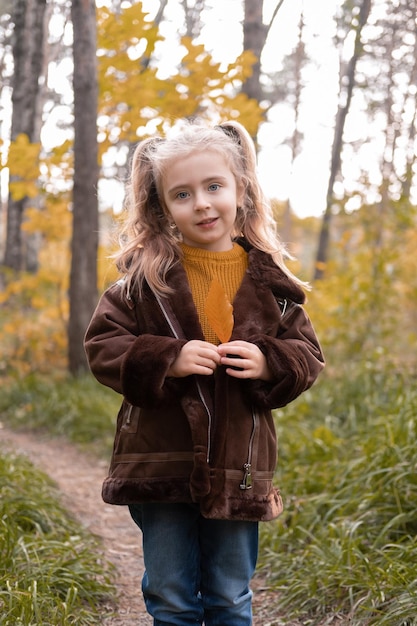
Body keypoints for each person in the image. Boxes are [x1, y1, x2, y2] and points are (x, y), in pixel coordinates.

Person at [84, 119, 325, 626]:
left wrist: (269, 362)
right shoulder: (145, 281)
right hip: (160, 460)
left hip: (239, 466)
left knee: (230, 596)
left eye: (214, 186)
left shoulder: (272, 285)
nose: (202, 204)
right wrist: (165, 357)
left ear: (241, 190)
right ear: (162, 207)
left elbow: (306, 353)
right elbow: (103, 344)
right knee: (171, 596)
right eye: (183, 194)